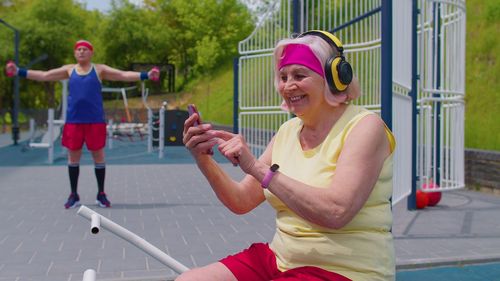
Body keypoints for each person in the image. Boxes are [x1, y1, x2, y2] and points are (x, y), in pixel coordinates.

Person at [181, 30, 395, 281]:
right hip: (281, 261)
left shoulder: (365, 126)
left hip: (347, 271)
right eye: (283, 77)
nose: (288, 85)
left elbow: (336, 212)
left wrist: (255, 167)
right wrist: (203, 158)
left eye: (299, 75)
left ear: (334, 77)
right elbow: (241, 201)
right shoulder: (288, 130)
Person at [5, 40, 159, 209]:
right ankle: (74, 195)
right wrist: (18, 71)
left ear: (91, 53)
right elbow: (44, 75)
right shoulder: (69, 70)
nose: (81, 51)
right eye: (78, 49)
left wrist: (146, 75)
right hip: (74, 121)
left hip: (95, 121)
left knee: (98, 156)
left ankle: (101, 194)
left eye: (85, 49)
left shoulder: (99, 70)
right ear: (75, 53)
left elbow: (122, 75)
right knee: (73, 158)